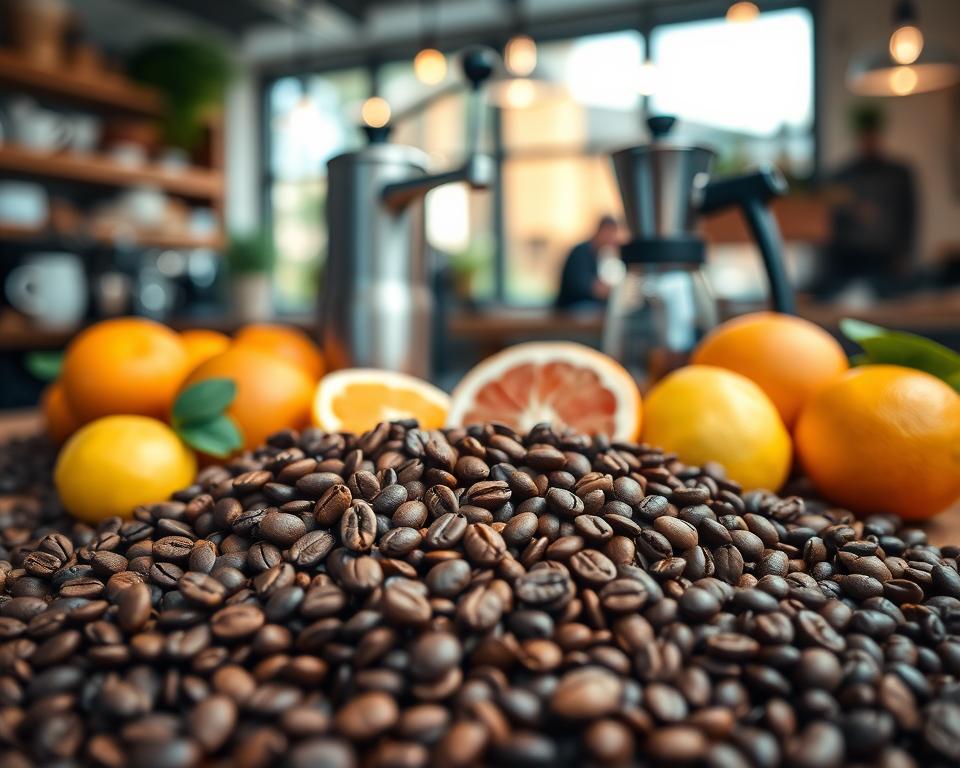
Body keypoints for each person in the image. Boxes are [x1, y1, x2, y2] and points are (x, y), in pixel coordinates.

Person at [820, 104, 917, 298]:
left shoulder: (899, 174)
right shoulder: (841, 176)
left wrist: (906, 255)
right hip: (849, 262)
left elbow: (910, 215)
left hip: (887, 262)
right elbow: (831, 220)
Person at [555, 215, 621, 309]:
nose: (611, 238)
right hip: (572, 307)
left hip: (587, 305)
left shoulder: (602, 254)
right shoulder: (581, 251)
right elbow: (581, 286)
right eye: (610, 233)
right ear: (601, 231)